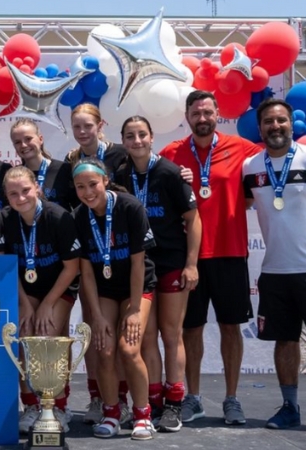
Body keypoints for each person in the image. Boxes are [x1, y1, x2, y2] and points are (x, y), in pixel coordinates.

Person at [159, 90, 306, 425]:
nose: (203, 118)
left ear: (217, 113)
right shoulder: (170, 153)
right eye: (196, 113)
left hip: (231, 253)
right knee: (191, 331)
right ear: (187, 116)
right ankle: (193, 397)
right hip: (189, 257)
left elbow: (280, 154)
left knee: (229, 328)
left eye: (208, 112)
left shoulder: (245, 152)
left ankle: (232, 399)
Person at [242, 98, 306, 435]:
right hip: (275, 271)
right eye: (268, 122)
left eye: (281, 121)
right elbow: (241, 202)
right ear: (261, 127)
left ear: (291, 125)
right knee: (285, 341)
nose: (275, 126)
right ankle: (290, 406)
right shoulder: (250, 167)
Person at [115, 116, 201, 432]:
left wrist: (191, 264)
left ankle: (175, 402)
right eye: (130, 136)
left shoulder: (169, 172)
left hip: (172, 262)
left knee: (171, 333)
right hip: (139, 265)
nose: (136, 140)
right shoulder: (120, 174)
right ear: (123, 141)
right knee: (146, 336)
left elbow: (193, 219)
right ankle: (153, 402)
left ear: (152, 137)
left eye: (141, 134)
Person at [72, 158, 157, 440]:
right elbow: (86, 273)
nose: (87, 192)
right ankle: (111, 412)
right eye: (80, 187)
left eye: (93, 184)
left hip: (136, 287)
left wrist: (134, 310)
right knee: (104, 348)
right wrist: (95, 315)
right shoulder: (79, 217)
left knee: (129, 349)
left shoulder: (129, 206)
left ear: (105, 181)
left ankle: (143, 414)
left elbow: (138, 264)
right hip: (105, 291)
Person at [2, 165, 81, 434]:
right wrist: (25, 304)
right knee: (24, 334)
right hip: (27, 290)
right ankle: (31, 406)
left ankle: (58, 404)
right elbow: (8, 267)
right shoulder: (6, 219)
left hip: (59, 287)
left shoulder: (58, 217)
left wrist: (47, 304)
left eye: (25, 190)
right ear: (6, 196)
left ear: (37, 187)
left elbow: (72, 267)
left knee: (47, 335)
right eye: (13, 194)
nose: (20, 198)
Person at [10, 118, 70, 207]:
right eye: (18, 142)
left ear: (40, 139)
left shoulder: (64, 170)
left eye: (28, 139)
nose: (23, 145)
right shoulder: (14, 176)